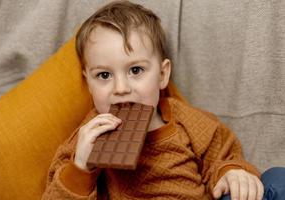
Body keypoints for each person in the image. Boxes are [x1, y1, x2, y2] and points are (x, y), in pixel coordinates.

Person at [41, 1, 284, 200]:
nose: (121, 88)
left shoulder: (188, 123)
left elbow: (224, 155)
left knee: (277, 179)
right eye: (104, 75)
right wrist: (81, 169)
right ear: (89, 84)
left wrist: (233, 173)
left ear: (162, 74)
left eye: (135, 70)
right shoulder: (86, 140)